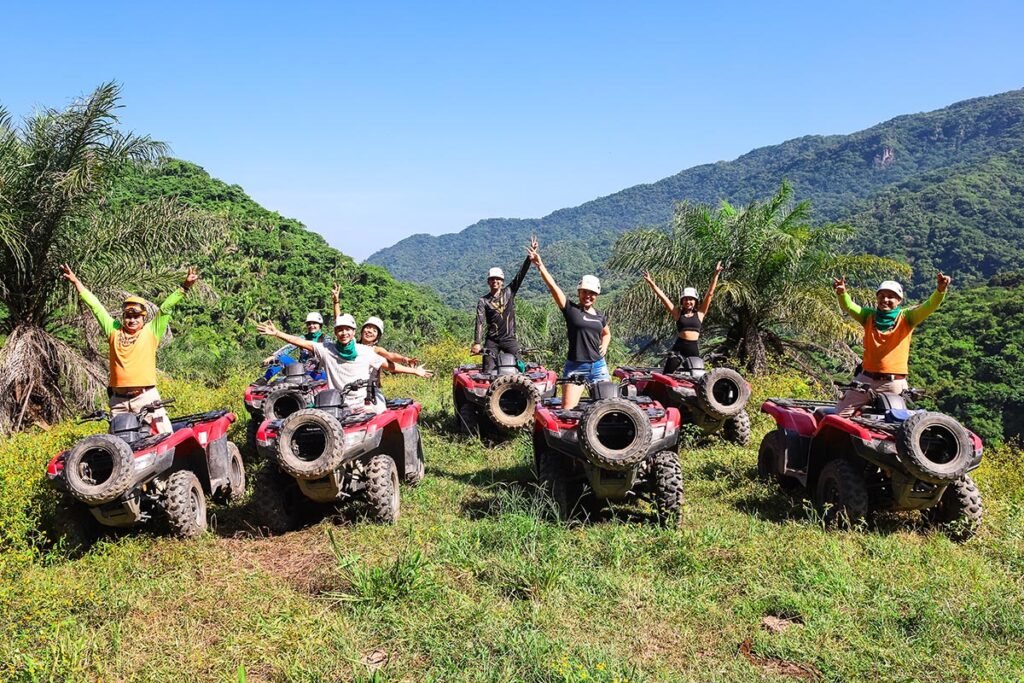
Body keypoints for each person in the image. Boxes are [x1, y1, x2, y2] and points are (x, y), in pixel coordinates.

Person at [61, 263, 198, 434]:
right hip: (119, 402)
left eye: (136, 317)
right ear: (123, 317)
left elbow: (165, 309)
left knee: (165, 436)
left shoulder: (150, 332)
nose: (132, 320)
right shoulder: (114, 331)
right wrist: (76, 282)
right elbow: (96, 307)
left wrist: (184, 287)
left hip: (146, 397)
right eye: (128, 316)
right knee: (119, 445)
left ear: (143, 318)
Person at [256, 314, 432, 414]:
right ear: (335, 332)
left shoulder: (366, 351)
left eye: (347, 329)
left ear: (354, 332)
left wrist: (413, 371)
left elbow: (389, 365)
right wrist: (277, 333)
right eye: (340, 329)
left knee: (380, 418)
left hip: (366, 402)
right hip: (337, 403)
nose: (344, 333)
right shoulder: (326, 349)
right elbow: (299, 342)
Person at [833, 272, 950, 417]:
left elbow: (929, 306)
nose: (885, 299)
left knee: (894, 424)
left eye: (890, 297)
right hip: (865, 380)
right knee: (839, 416)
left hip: (893, 384)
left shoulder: (907, 317)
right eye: (881, 296)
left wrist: (940, 290)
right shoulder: (868, 316)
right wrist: (842, 293)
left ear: (899, 300)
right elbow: (850, 307)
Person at [526, 242, 610, 410]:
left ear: (597, 295)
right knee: (567, 411)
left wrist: (605, 346)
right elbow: (553, 287)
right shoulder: (571, 309)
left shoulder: (600, 315)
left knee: (607, 409)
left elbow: (606, 333)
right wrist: (540, 265)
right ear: (579, 292)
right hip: (576, 366)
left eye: (592, 293)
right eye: (584, 291)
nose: (588, 295)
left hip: (599, 366)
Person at [642, 262, 723, 373]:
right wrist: (651, 282)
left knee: (696, 375)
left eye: (691, 299)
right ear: (682, 301)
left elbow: (710, 294)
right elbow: (663, 298)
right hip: (679, 348)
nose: (688, 302)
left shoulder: (700, 313)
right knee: (667, 373)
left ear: (695, 301)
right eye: (685, 299)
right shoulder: (677, 313)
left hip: (693, 348)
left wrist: (716, 274)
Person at [471, 238, 536, 373]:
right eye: (492, 279)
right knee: (487, 370)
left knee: (521, 367)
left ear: (502, 281)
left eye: (498, 279)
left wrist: (528, 259)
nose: (495, 281)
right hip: (492, 340)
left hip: (509, 338)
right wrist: (477, 342)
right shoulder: (484, 301)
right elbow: (480, 322)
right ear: (488, 282)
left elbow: (520, 275)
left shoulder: (509, 292)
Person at [261, 312, 326, 381]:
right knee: (280, 357)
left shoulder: (326, 339)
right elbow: (289, 347)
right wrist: (274, 356)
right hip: (301, 370)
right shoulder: (302, 338)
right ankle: (264, 379)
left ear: (320, 325)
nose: (311, 326)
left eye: (314, 323)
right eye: (309, 324)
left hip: (318, 372)